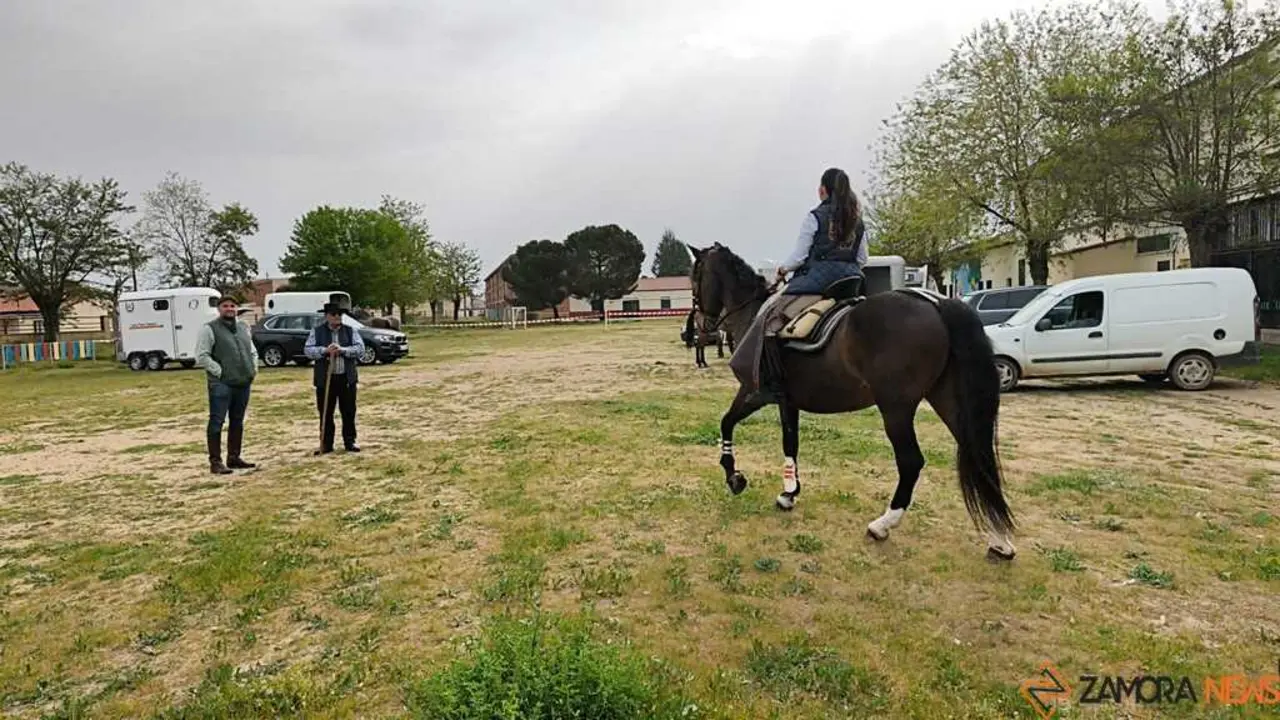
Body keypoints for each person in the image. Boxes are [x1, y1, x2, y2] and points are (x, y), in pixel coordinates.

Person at [729, 167, 868, 402]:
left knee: (770, 321)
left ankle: (773, 384)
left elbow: (800, 256)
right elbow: (862, 259)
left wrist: (783, 269)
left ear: (823, 190)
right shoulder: (858, 221)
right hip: (851, 283)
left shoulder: (815, 216)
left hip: (818, 284)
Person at [195, 296, 259, 474]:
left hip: (243, 381)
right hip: (221, 384)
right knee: (217, 421)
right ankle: (215, 462)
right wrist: (220, 372)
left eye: (232, 306)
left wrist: (253, 368)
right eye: (225, 306)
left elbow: (252, 350)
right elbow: (202, 356)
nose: (229, 309)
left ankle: (234, 457)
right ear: (219, 309)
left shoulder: (243, 327)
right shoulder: (209, 329)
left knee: (237, 421)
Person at [304, 302, 365, 454]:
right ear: (327, 316)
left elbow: (360, 349)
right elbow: (308, 350)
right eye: (333, 314)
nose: (337, 316)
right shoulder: (317, 331)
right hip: (325, 380)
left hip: (346, 379)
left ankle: (350, 441)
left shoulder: (351, 331)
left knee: (349, 411)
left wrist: (343, 350)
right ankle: (326, 444)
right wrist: (325, 350)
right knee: (326, 412)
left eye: (339, 314)